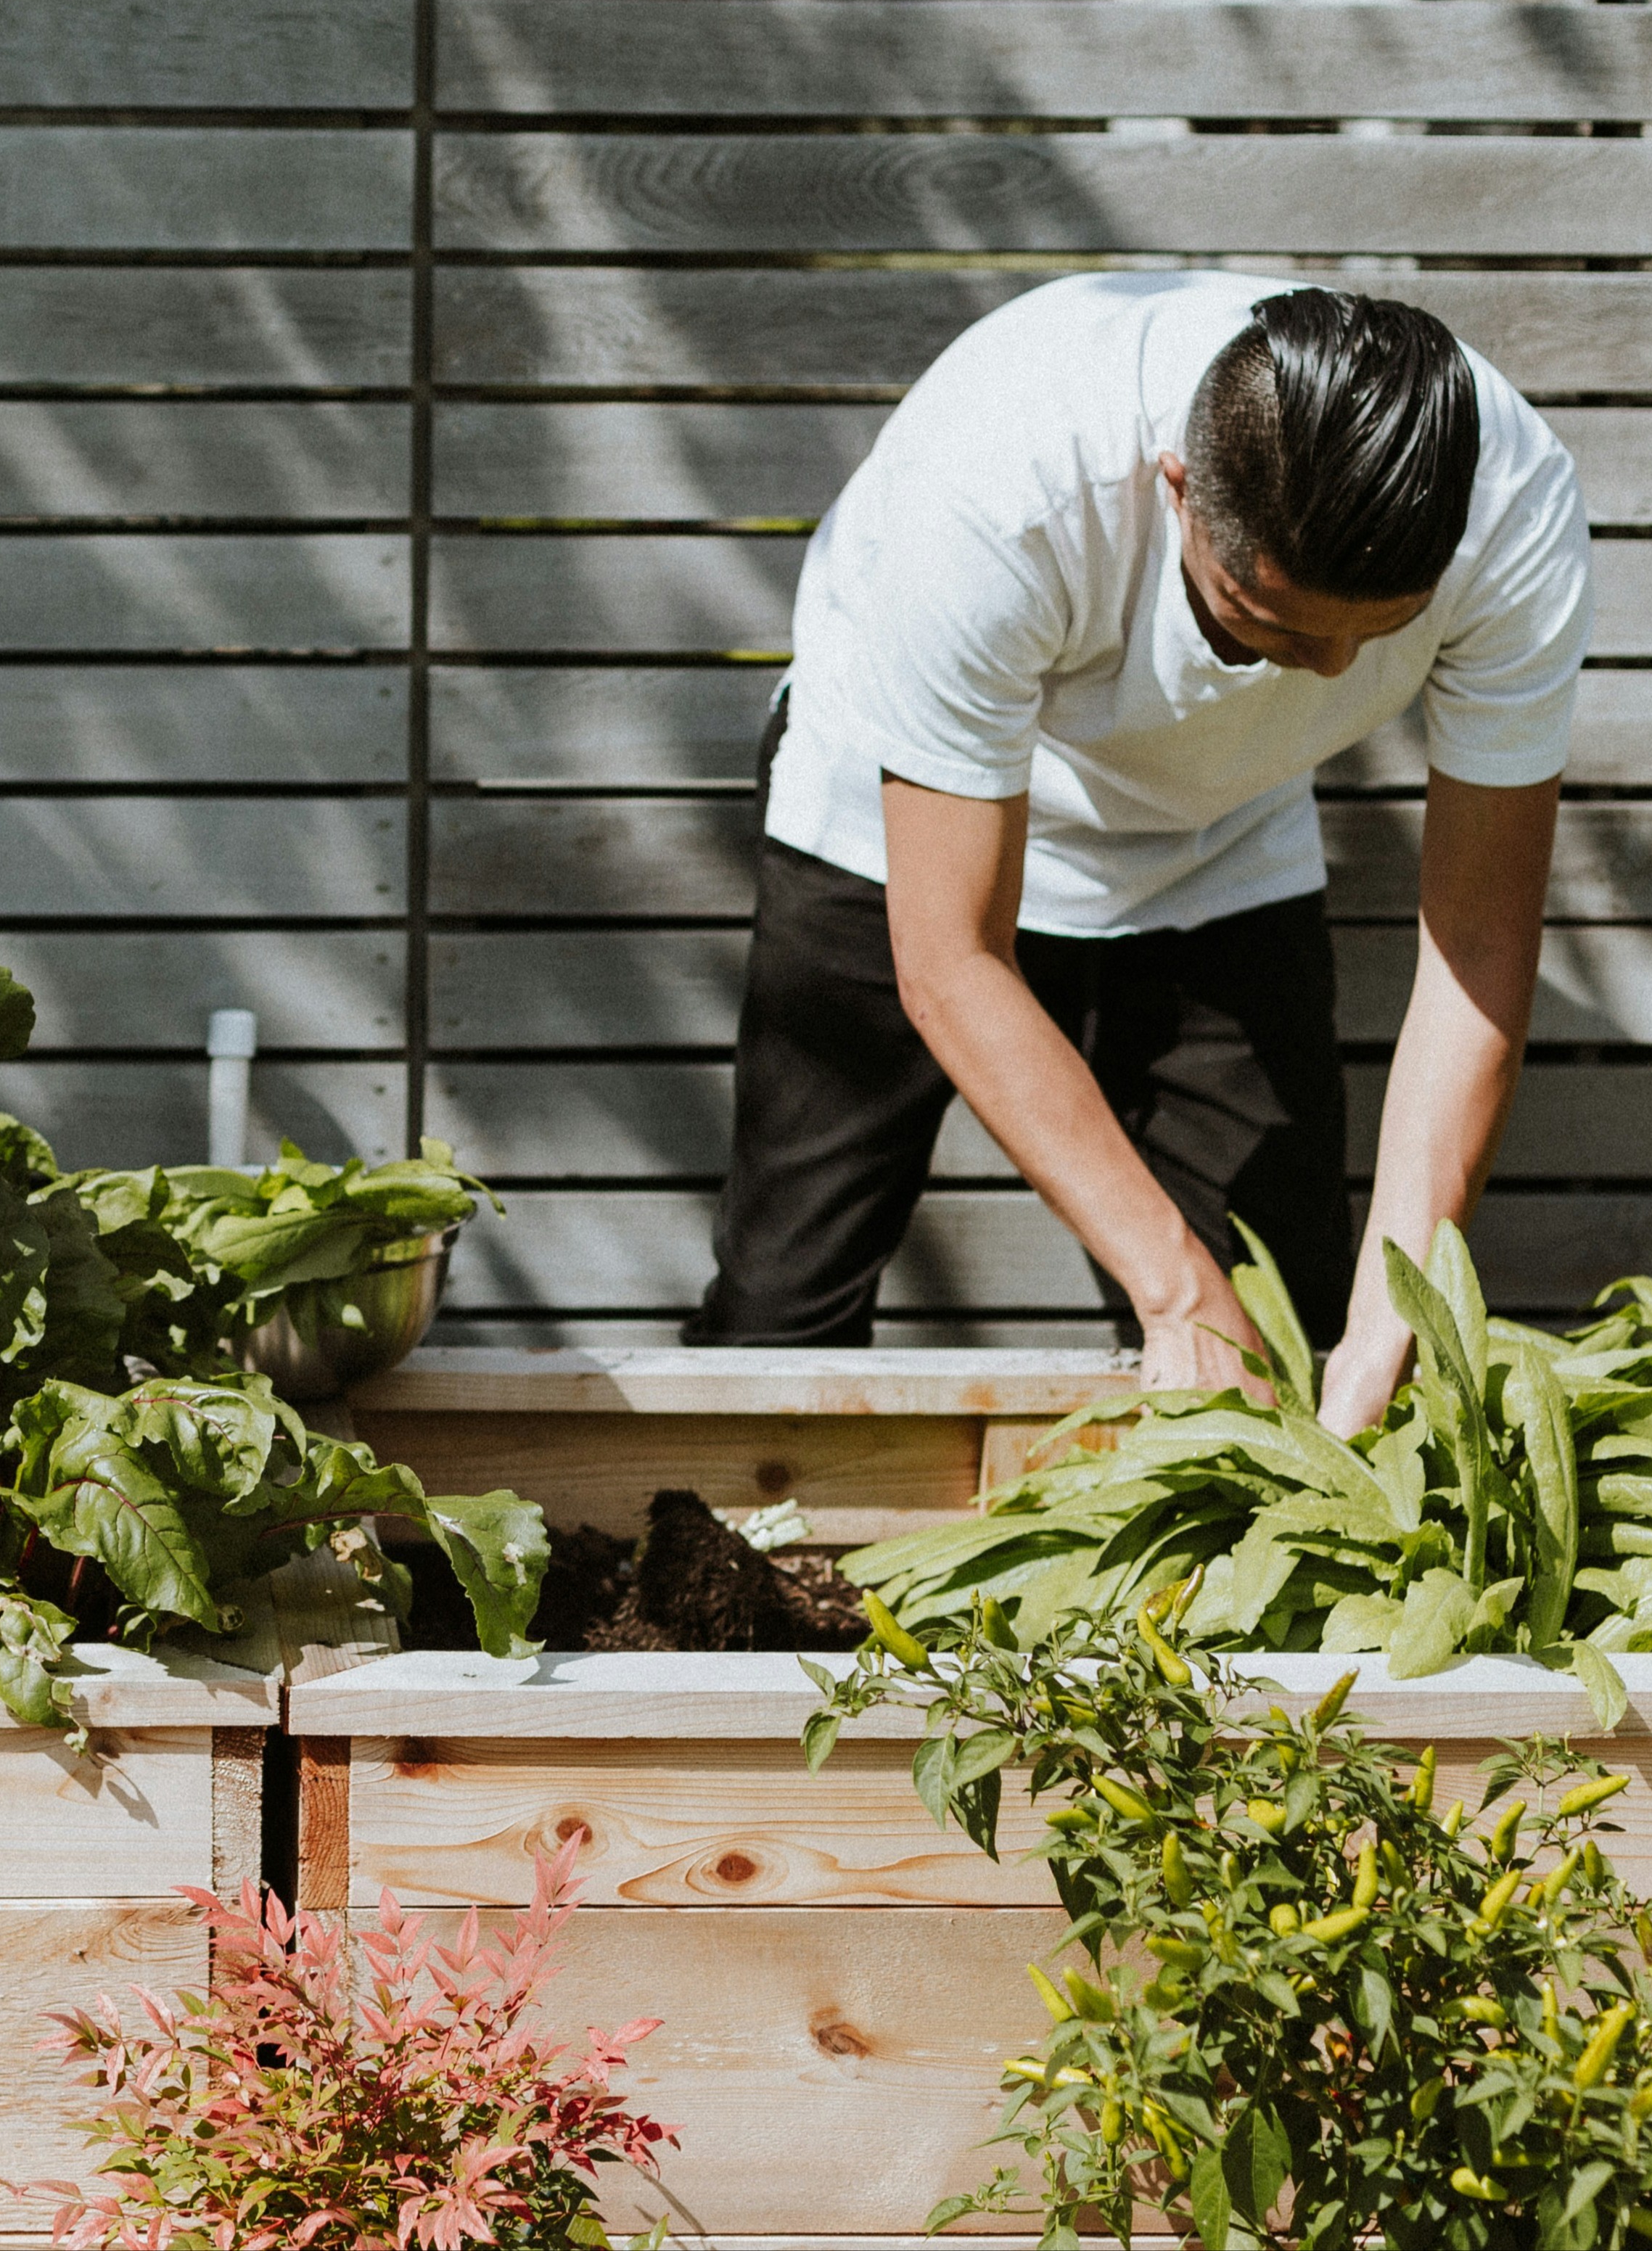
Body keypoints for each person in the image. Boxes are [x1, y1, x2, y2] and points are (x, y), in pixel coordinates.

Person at [682, 272, 1591, 1436]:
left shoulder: (1511, 510)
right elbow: (952, 959)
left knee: (1281, 1325)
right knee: (782, 1308)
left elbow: (1473, 946)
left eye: (1375, 638)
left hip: (1216, 836)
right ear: (1177, 491)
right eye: (1265, 623)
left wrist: (1390, 1319)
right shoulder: (998, 487)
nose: (1325, 676)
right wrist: (1171, 1289)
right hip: (891, 826)